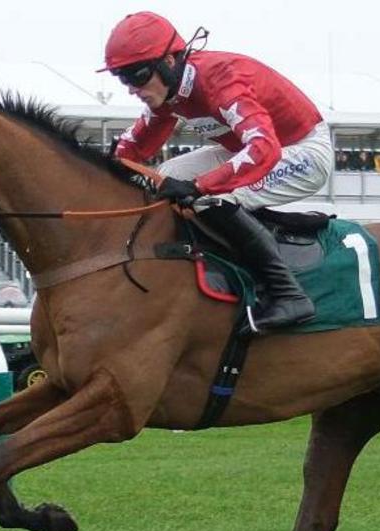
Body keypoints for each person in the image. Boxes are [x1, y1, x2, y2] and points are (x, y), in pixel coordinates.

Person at [100, 11, 326, 331]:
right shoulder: (170, 91)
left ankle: (289, 295)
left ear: (168, 62)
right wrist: (103, 164)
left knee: (212, 197)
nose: (131, 89)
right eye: (122, 79)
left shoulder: (221, 78)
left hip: (302, 152)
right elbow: (134, 147)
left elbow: (264, 148)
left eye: (136, 76)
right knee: (165, 176)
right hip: (249, 149)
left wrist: (200, 186)